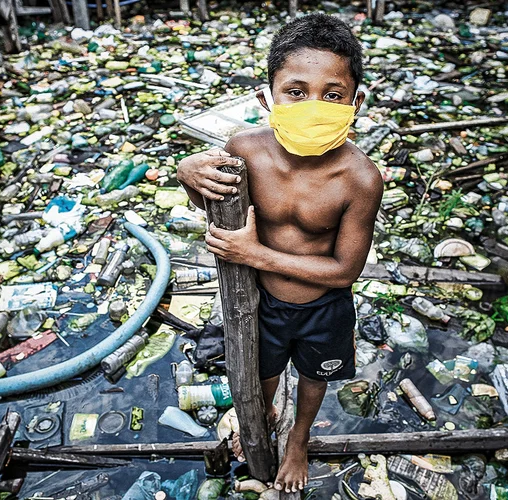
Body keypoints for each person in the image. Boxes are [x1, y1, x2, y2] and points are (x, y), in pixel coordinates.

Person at [176, 13, 383, 493]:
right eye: (296, 91)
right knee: (258, 373)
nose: (314, 106)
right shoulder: (245, 149)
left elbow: (345, 270)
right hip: (261, 303)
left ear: (357, 101)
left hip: (323, 307)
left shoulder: (360, 178)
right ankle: (261, 416)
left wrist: (256, 255)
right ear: (265, 96)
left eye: (332, 95)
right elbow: (216, 205)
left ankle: (299, 439)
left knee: (314, 379)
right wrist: (188, 175)